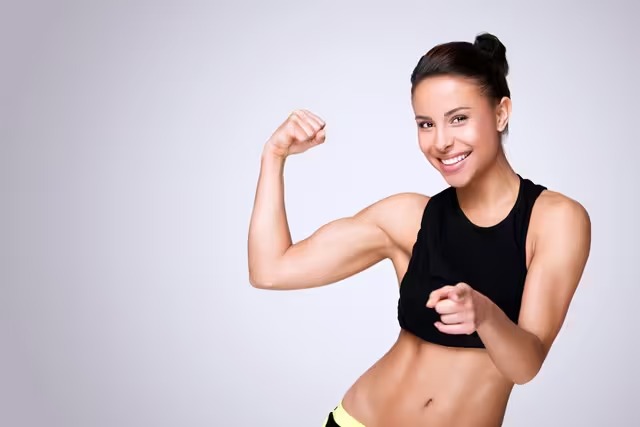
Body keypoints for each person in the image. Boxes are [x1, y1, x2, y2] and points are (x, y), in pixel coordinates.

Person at [247, 32, 591, 427]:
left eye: (458, 118)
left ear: (501, 113)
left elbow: (525, 366)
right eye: (426, 124)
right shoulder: (408, 217)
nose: (441, 142)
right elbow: (270, 271)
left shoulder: (554, 220)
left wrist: (486, 316)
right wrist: (273, 156)